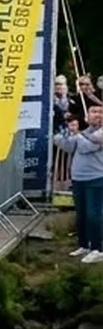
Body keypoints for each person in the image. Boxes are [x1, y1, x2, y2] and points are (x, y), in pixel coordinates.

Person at [56, 101, 103, 262]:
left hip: (96, 178)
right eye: (93, 112)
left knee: (94, 214)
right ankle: (84, 245)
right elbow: (67, 146)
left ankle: (99, 248)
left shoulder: (99, 132)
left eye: (100, 112)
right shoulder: (84, 132)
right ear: (87, 116)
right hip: (78, 178)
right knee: (81, 214)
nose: (97, 114)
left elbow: (86, 147)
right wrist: (65, 134)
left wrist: (78, 135)